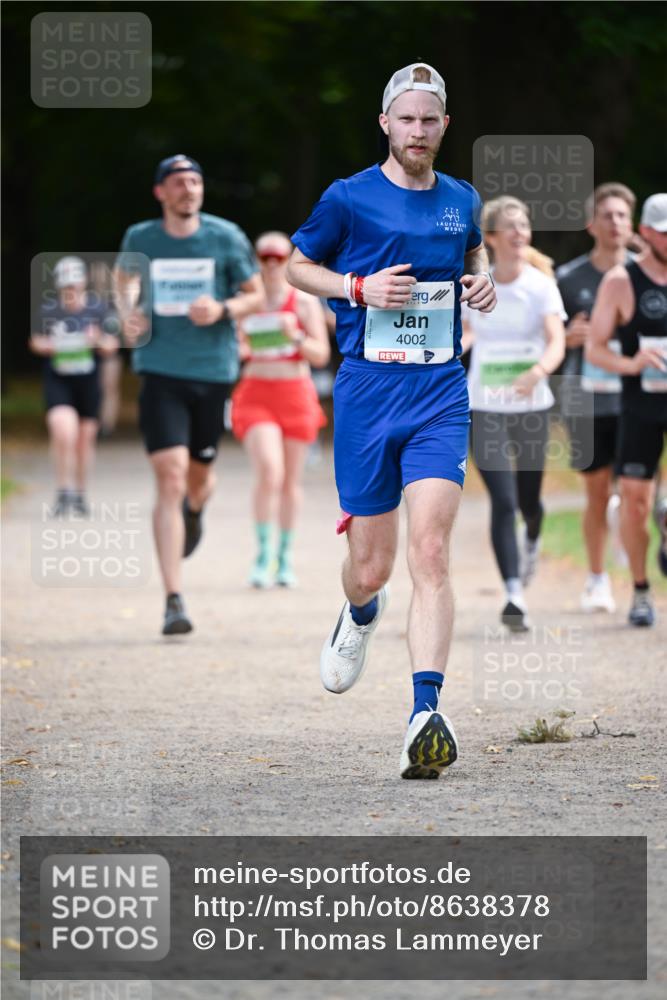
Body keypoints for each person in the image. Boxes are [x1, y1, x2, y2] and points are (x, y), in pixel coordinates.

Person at [287, 63, 496, 779]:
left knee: (431, 551)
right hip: (368, 392)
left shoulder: (461, 198)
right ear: (385, 123)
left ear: (444, 125)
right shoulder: (348, 198)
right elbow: (294, 265)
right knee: (371, 569)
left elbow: (470, 250)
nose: (417, 130)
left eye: (429, 119)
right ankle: (359, 615)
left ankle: (424, 713)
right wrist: (354, 285)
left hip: (439, 391)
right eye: (405, 119)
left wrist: (481, 278)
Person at [115, 155, 264, 635]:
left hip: (213, 372)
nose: (189, 189)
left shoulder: (225, 236)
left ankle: (195, 512)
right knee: (171, 475)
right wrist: (127, 314)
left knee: (198, 479)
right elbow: (122, 283)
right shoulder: (142, 238)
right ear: (161, 192)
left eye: (196, 181)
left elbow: (256, 295)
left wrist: (222, 307)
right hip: (159, 369)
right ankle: (173, 600)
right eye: (179, 183)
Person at [462, 197, 566, 631]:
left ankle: (534, 535)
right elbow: (466, 334)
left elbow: (556, 340)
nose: (521, 234)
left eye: (525, 226)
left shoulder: (540, 285)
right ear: (491, 239)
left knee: (528, 499)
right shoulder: (474, 285)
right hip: (484, 404)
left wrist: (538, 370)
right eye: (512, 228)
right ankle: (513, 594)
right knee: (503, 501)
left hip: (530, 406)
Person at [231, 231, 330, 587]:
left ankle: (283, 559)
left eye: (279, 257)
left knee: (290, 481)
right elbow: (233, 350)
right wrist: (243, 346)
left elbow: (321, 354)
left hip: (295, 393)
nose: (272, 264)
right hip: (257, 393)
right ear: (256, 261)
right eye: (265, 257)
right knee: (269, 472)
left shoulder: (303, 303)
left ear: (288, 259)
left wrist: (297, 338)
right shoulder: (247, 302)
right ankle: (261, 554)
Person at [587, 193, 667, 626]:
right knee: (635, 502)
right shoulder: (622, 281)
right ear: (649, 232)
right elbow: (597, 350)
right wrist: (631, 363)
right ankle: (640, 589)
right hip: (641, 406)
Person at [557, 183, 636, 613]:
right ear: (592, 224)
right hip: (585, 397)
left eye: (623, 215)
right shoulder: (569, 279)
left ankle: (628, 529)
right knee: (596, 491)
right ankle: (597, 578)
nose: (615, 223)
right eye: (607, 215)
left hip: (636, 397)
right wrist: (569, 336)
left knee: (638, 487)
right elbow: (545, 336)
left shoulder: (648, 275)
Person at [29, 256, 118, 516]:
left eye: (75, 285)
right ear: (59, 287)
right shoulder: (48, 311)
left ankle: (80, 493)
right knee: (62, 430)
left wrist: (96, 339)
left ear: (83, 284)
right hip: (59, 380)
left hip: (88, 382)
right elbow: (35, 342)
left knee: (83, 440)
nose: (71, 291)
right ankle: (63, 489)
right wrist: (52, 345)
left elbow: (111, 346)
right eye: (66, 286)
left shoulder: (99, 310)